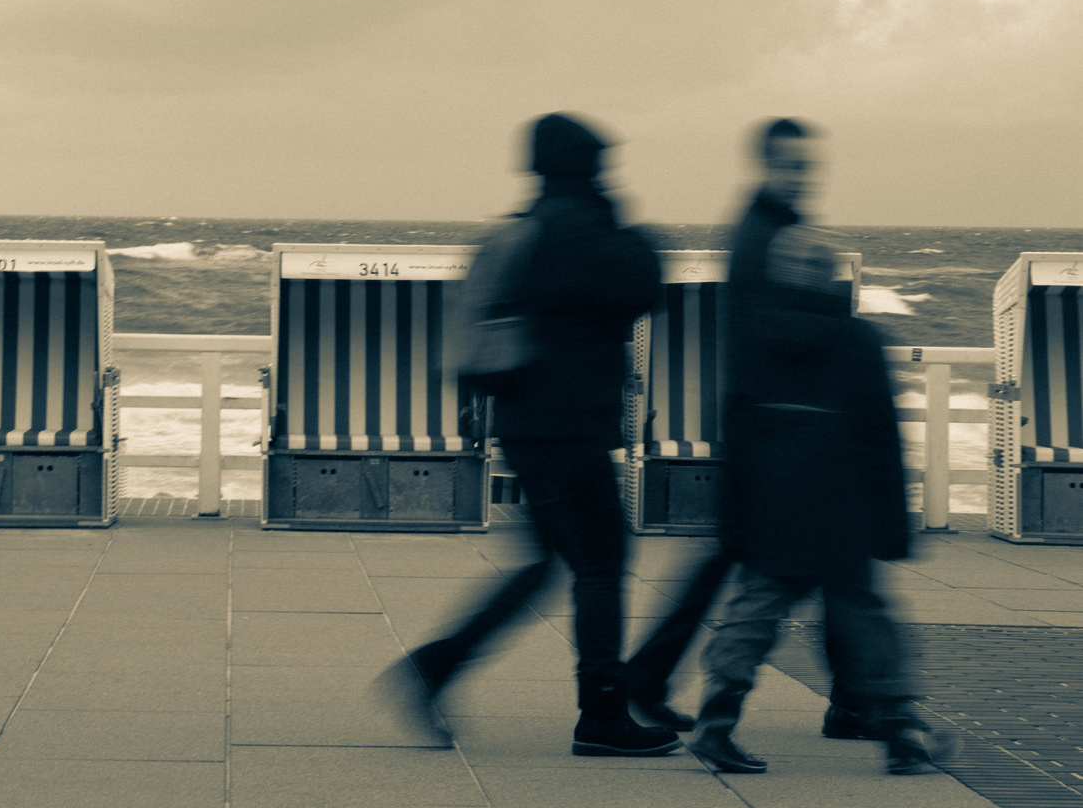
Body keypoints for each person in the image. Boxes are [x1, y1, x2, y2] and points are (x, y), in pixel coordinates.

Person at [382, 113, 678, 757]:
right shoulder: (580, 227)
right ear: (586, 166)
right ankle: (601, 717)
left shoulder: (533, 227)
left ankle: (436, 667)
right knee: (601, 565)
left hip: (526, 422)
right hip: (568, 427)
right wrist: (631, 226)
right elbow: (642, 284)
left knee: (547, 563)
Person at [625, 119, 868, 734]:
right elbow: (778, 333)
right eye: (790, 165)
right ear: (765, 165)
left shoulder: (761, 228)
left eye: (807, 166)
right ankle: (850, 700)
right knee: (822, 563)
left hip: (762, 426)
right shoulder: (768, 237)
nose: (801, 176)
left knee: (763, 563)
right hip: (774, 431)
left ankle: (649, 678)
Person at [687, 225, 952, 776]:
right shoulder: (856, 339)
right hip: (841, 504)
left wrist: (732, 517)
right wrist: (893, 523)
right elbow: (880, 436)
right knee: (865, 617)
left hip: (773, 504)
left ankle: (716, 719)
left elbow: (736, 432)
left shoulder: (755, 336)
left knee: (754, 612)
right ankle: (901, 729)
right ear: (832, 277)